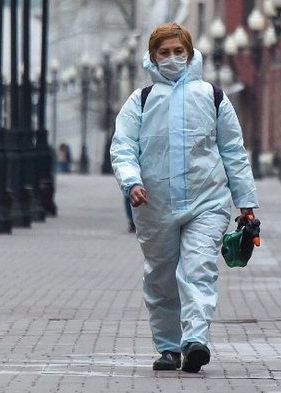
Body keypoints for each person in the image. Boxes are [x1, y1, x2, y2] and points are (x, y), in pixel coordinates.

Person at [111, 23, 258, 374]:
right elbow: (123, 146)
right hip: (153, 204)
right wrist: (131, 182)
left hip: (207, 202)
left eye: (179, 51)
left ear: (190, 54)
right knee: (161, 277)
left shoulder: (213, 96)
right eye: (165, 52)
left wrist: (246, 203)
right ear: (153, 57)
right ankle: (167, 346)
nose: (173, 58)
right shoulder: (141, 100)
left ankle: (195, 340)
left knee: (198, 269)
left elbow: (233, 151)